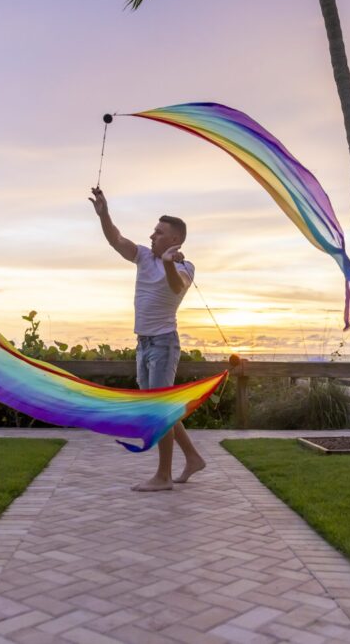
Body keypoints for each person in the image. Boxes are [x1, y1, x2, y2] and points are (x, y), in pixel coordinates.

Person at [88, 186, 206, 491]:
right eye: (153, 231)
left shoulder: (184, 267)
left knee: (159, 409)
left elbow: (176, 287)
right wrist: (104, 214)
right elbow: (117, 239)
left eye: (159, 232)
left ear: (174, 240)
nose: (152, 236)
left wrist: (168, 261)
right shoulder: (142, 256)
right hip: (143, 344)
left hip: (164, 344)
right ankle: (192, 457)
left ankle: (163, 476)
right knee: (158, 407)